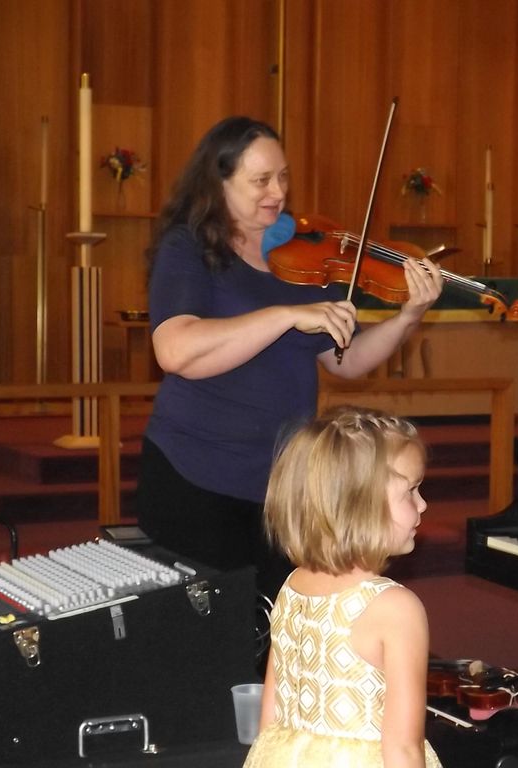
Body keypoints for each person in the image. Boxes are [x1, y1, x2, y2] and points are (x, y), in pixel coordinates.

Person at [135, 116, 442, 598]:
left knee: (277, 628)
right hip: (196, 474)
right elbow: (175, 350)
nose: (276, 191)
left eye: (282, 176)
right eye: (260, 180)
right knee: (213, 641)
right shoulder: (190, 247)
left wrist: (407, 317)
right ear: (217, 181)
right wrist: (283, 315)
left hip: (284, 486)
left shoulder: (306, 255)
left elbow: (348, 360)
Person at [243, 406, 443, 768]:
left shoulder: (292, 585)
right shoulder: (395, 607)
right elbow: (403, 748)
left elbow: (271, 714)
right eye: (411, 491)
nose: (423, 503)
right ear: (360, 505)